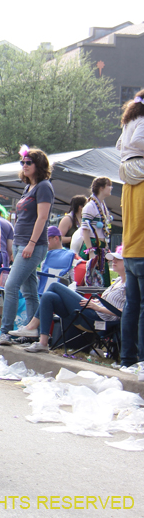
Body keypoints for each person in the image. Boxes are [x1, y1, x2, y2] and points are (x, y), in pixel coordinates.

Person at [11, 246, 125, 353]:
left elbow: (124, 311)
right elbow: (108, 302)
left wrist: (98, 308)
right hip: (91, 310)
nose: (113, 261)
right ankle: (43, 342)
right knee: (48, 296)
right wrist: (96, 302)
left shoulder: (129, 286)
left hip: (98, 318)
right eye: (113, 258)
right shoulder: (118, 281)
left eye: (118, 259)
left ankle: (32, 326)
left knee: (55, 286)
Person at [0, 147, 54, 346]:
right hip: (20, 243)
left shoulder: (44, 186)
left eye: (28, 162)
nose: (24, 165)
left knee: (11, 286)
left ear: (39, 165)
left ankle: (5, 331)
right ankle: (33, 332)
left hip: (33, 245)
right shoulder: (29, 187)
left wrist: (31, 243)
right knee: (30, 292)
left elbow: (42, 217)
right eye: (22, 162)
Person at [118, 89, 144, 367]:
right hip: (143, 251)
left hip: (131, 251)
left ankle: (127, 359)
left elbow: (123, 145)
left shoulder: (127, 184)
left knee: (132, 306)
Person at [80, 176, 113, 288]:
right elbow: (85, 230)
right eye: (108, 185)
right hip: (93, 246)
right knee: (90, 281)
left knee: (103, 283)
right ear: (101, 188)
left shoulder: (102, 205)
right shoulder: (90, 206)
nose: (111, 188)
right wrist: (90, 251)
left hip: (101, 248)